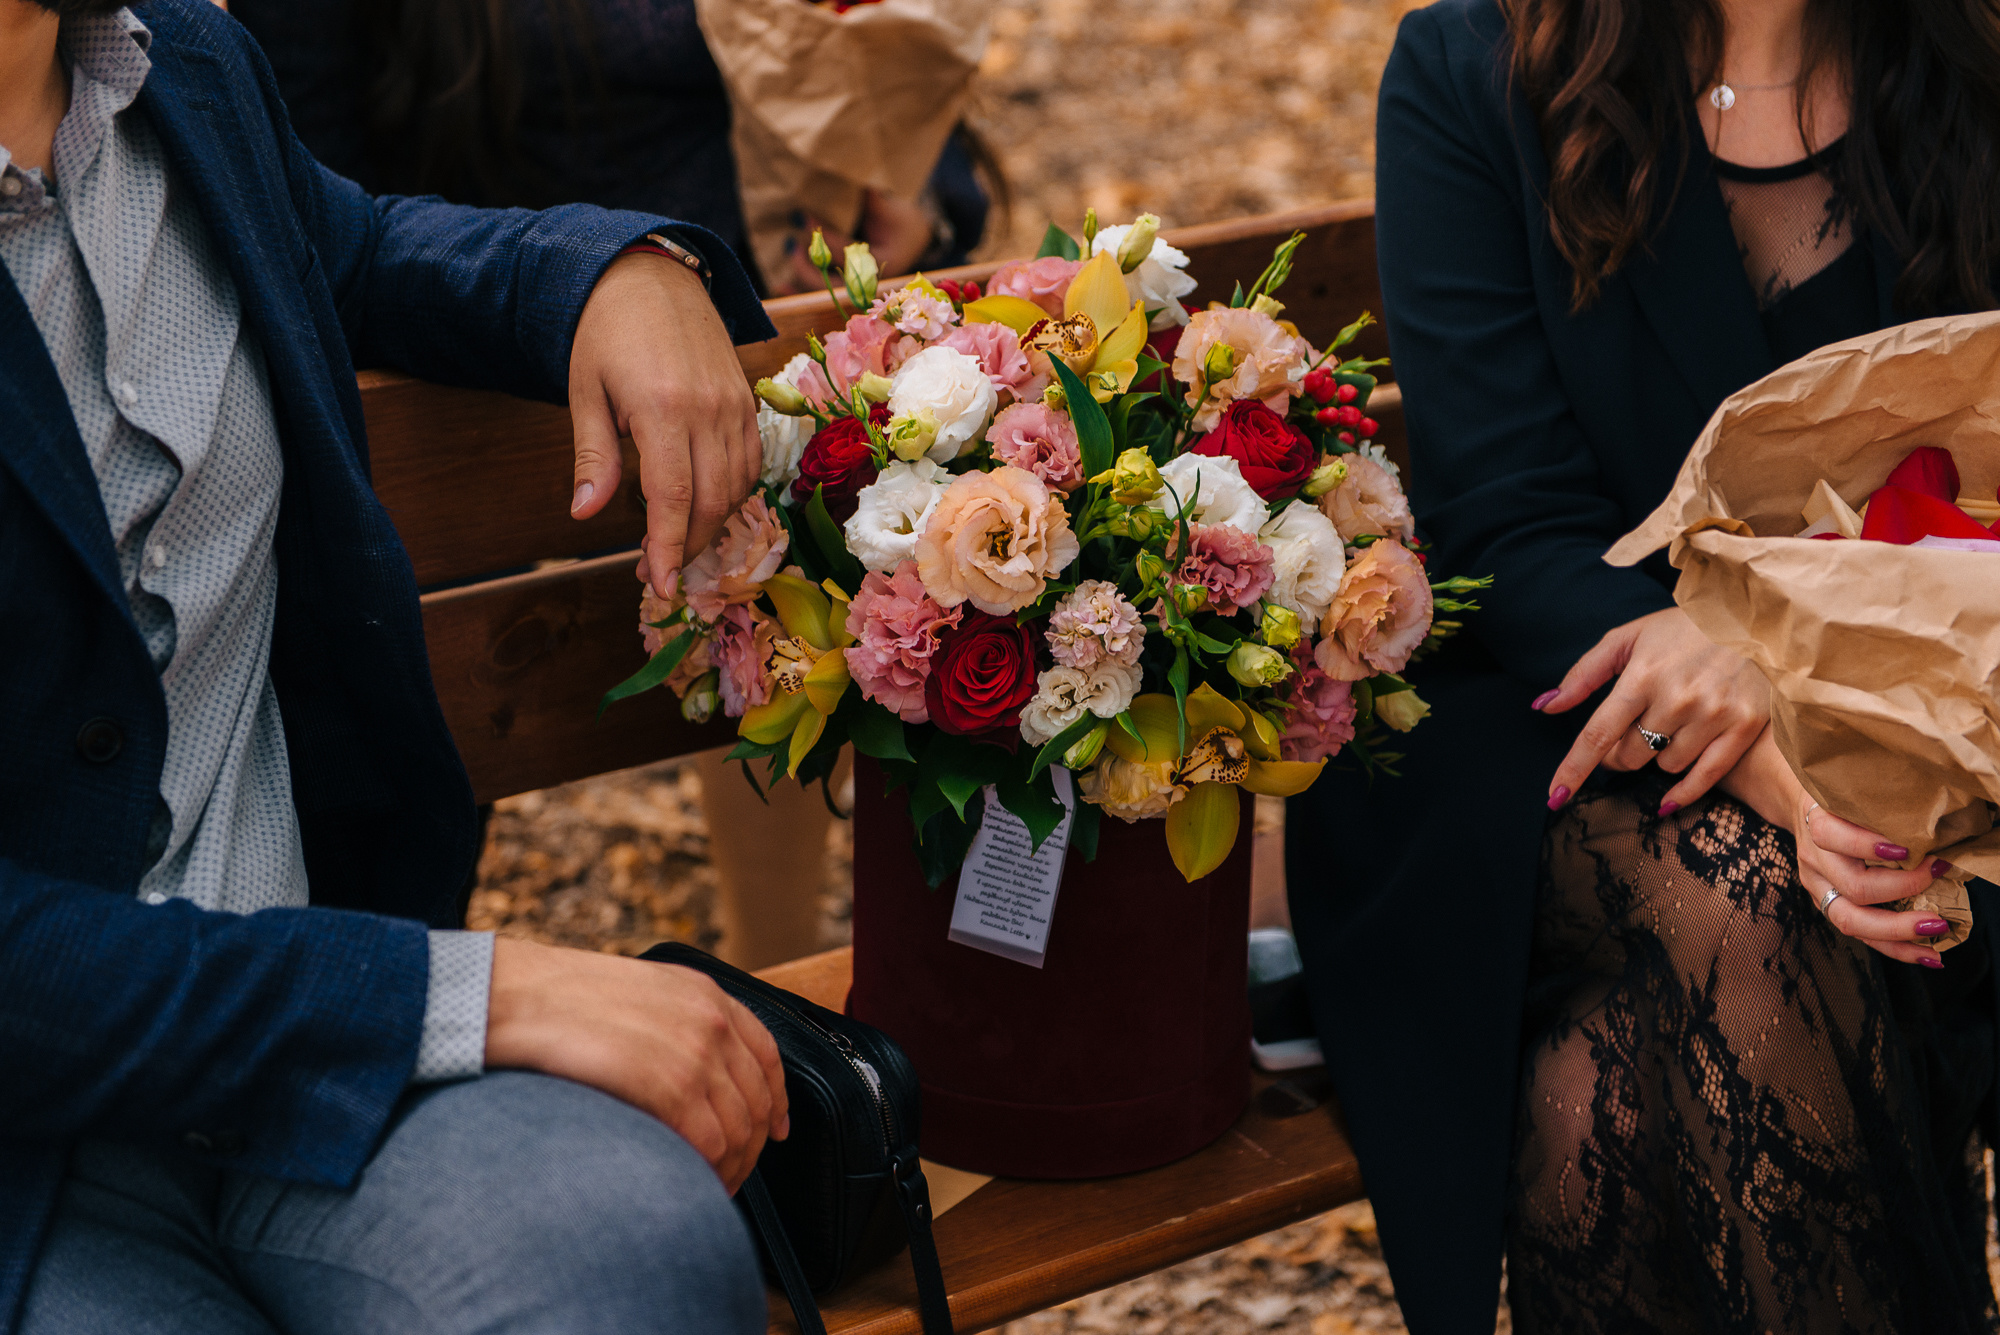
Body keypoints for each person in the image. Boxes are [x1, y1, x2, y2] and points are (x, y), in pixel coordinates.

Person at [0, 0, 796, 1329]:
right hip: (40, 1140)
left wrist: (611, 274)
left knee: (634, 1257)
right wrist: (479, 990)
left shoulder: (181, 66)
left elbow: (350, 246)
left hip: (298, 1049)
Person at [1286, 0, 2000, 1329]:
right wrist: (1783, 772)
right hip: (1542, 719)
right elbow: (1505, 512)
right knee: (1752, 913)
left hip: (1923, 709)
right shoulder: (1476, 69)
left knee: (1591, 1093)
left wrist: (1820, 742)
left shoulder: (1968, 58)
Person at [226, 0, 995, 294]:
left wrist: (915, 181)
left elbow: (869, 35)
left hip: (819, 335)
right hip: (536, 403)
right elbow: (316, 217)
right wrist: (571, 288)